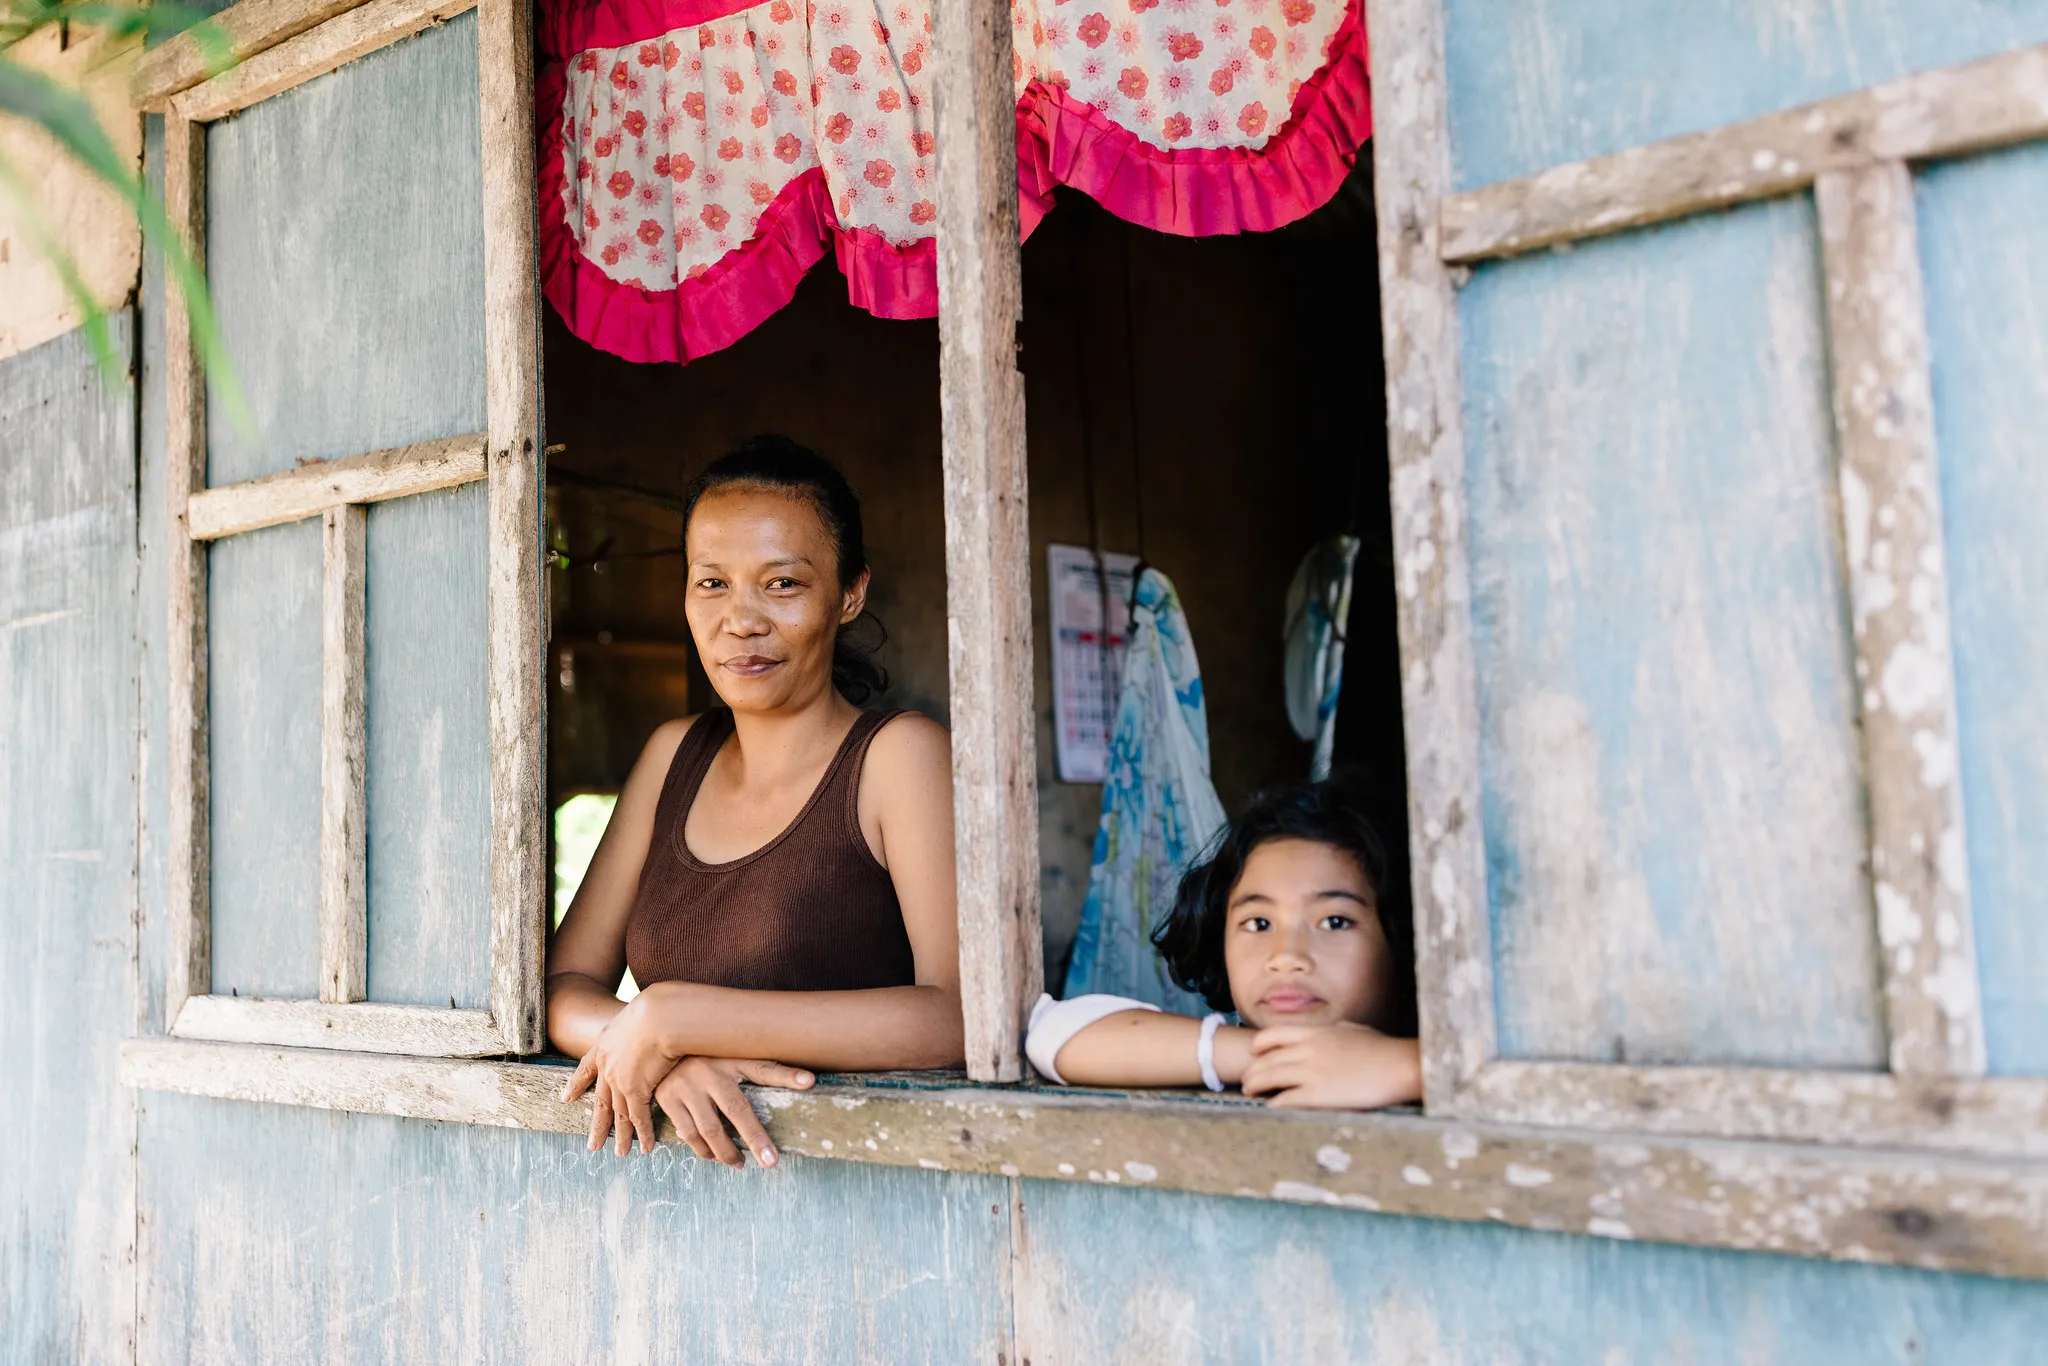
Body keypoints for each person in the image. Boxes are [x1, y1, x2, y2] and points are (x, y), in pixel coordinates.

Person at [549, 437, 962, 1168]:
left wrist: (680, 1018)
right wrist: (657, 1045)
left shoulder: (899, 757)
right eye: (712, 584)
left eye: (782, 584)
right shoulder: (673, 755)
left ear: (850, 594)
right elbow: (564, 988)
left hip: (872, 1198)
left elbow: (957, 1017)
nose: (741, 620)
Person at [1025, 776, 1420, 1109]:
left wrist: (1407, 1066)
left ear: (1407, 938)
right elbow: (1051, 1035)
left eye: (1335, 922)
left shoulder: (1439, 1068)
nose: (1285, 957)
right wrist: (1275, 1055)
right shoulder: (1222, 1058)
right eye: (1259, 922)